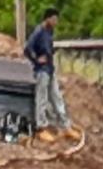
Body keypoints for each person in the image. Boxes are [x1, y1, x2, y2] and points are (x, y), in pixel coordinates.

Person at [26, 7, 70, 136]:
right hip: (42, 70)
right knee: (42, 98)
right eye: (54, 19)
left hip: (50, 69)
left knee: (57, 97)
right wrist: (36, 60)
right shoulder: (38, 31)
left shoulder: (50, 31)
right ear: (48, 18)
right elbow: (28, 48)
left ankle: (65, 125)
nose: (56, 22)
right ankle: (41, 126)